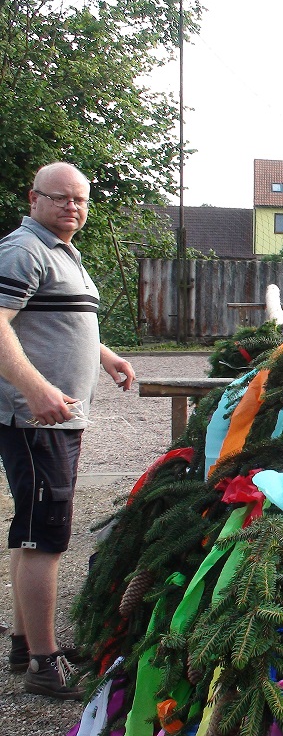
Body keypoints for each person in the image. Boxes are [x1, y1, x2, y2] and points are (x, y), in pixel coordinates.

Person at [0, 162, 136, 700]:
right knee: (46, 537)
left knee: (31, 528)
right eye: (60, 198)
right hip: (37, 418)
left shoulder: (62, 252)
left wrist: (105, 355)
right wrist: (35, 389)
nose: (71, 207)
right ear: (33, 198)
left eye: (79, 199)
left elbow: (60, 318)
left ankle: (23, 643)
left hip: (56, 418)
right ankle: (43, 662)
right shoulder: (24, 249)